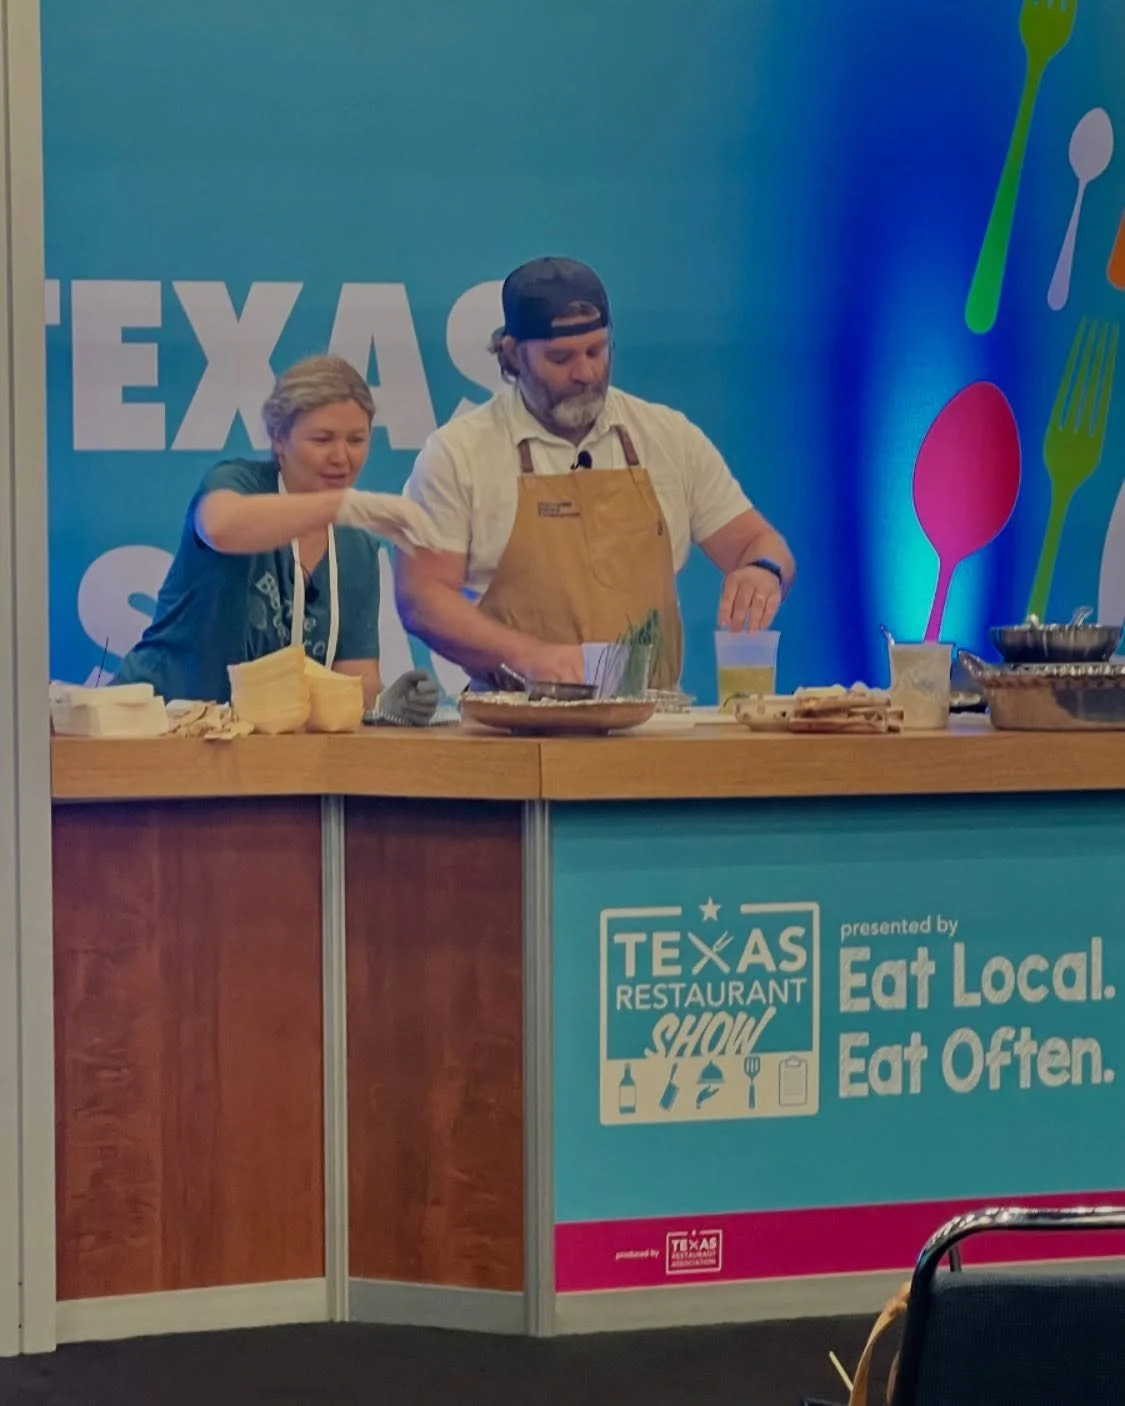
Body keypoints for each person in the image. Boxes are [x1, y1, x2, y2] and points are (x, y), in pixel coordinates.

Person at [394, 256, 795, 690]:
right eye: (560, 357)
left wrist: (762, 570)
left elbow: (761, 543)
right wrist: (530, 657)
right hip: (513, 730)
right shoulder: (458, 455)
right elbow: (422, 598)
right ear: (512, 354)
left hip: (650, 727)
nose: (585, 373)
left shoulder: (667, 437)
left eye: (596, 351)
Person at [115, 354, 440, 724]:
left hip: (263, 755)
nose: (341, 457)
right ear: (278, 439)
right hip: (161, 730)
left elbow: (352, 681)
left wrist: (384, 705)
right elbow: (220, 527)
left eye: (356, 440)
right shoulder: (236, 482)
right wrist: (344, 506)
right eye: (322, 439)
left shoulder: (356, 547)